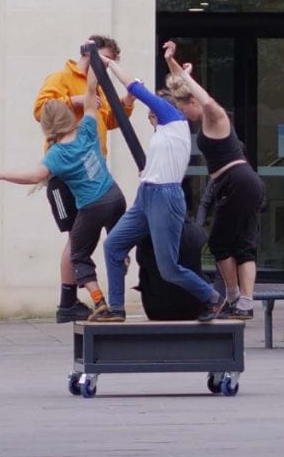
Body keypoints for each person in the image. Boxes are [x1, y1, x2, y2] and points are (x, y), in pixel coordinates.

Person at [0, 63, 126, 316]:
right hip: (116, 197)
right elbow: (92, 92)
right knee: (114, 241)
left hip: (93, 206)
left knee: (79, 255)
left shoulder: (56, 155)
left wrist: (1, 175)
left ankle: (100, 304)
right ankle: (122, 256)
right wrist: (95, 65)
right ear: (71, 117)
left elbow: (33, 177)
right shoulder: (87, 129)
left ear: (47, 128)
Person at [95, 54, 223, 322]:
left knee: (169, 269)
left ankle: (211, 297)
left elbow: (135, 88)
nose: (150, 116)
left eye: (152, 112)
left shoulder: (173, 118)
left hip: (165, 197)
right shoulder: (164, 134)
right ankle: (116, 309)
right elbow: (162, 160)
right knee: (114, 246)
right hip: (148, 194)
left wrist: (110, 64)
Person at [34, 35, 135, 323]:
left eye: (111, 63)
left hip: (93, 173)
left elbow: (109, 120)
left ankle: (93, 295)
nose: (106, 66)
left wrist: (126, 103)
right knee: (75, 239)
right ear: (91, 54)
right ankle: (68, 302)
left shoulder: (100, 84)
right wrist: (74, 100)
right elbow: (41, 111)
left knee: (104, 231)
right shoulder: (61, 77)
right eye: (104, 60)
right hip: (66, 174)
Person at [163, 40, 266, 320]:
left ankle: (239, 299)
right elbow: (181, 88)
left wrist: (187, 76)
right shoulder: (204, 118)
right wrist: (172, 61)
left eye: (184, 110)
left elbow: (204, 99)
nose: (184, 116)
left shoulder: (216, 114)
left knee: (230, 242)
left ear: (194, 102)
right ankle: (238, 300)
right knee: (230, 243)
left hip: (239, 180)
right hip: (231, 183)